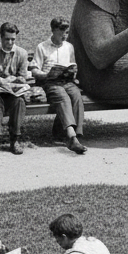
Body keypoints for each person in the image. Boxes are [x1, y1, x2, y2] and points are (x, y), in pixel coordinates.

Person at [31, 16, 87, 155]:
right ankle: (71, 138)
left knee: (76, 95)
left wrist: (72, 71)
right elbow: (34, 69)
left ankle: (77, 136)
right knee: (63, 97)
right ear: (53, 30)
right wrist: (45, 75)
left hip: (66, 81)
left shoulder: (69, 47)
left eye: (66, 33)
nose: (64, 35)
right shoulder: (42, 47)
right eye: (61, 32)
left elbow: (72, 64)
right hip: (50, 82)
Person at [0, 21, 30, 156]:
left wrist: (15, 81)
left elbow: (22, 76)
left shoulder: (22, 53)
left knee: (19, 102)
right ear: (1, 37)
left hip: (14, 91)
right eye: (7, 39)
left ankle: (14, 139)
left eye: (13, 39)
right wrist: (8, 81)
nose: (10, 42)